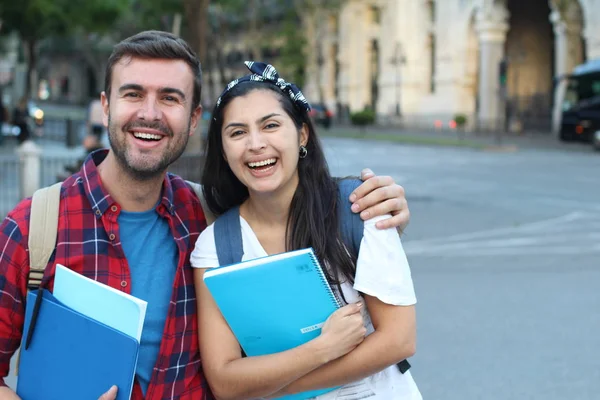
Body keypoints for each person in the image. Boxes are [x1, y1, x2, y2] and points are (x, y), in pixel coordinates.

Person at [0, 31, 411, 400]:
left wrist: (381, 210)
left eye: (170, 98)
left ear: (195, 119)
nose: (150, 113)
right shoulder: (34, 229)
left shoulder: (208, 217)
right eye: (132, 94)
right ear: (105, 105)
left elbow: (292, 217)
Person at [191, 61, 421, 400]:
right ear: (224, 151)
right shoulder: (216, 245)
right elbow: (225, 381)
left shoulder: (360, 205)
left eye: (270, 125)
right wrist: (321, 349)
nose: (255, 144)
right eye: (237, 132)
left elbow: (398, 339)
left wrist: (278, 387)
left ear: (302, 134)